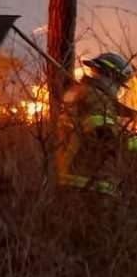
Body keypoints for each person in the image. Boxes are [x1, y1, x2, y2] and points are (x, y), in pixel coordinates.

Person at [56, 52, 137, 195]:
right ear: (110, 76)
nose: (119, 90)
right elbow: (107, 139)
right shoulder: (96, 99)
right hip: (88, 184)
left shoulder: (82, 92)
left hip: (70, 178)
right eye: (119, 84)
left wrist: (131, 114)